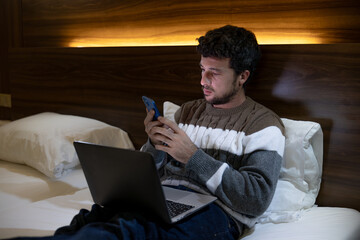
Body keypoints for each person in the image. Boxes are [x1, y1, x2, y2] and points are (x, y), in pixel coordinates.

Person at [12, 25, 285, 240]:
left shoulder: (262, 124)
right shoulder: (187, 111)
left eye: (214, 73)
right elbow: (153, 173)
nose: (203, 81)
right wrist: (153, 145)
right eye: (202, 69)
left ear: (243, 76)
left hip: (217, 213)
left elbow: (255, 199)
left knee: (124, 233)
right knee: (88, 220)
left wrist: (193, 157)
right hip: (163, 199)